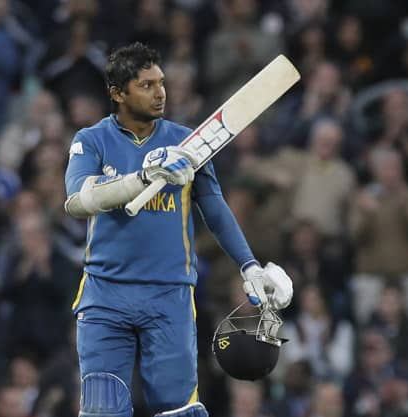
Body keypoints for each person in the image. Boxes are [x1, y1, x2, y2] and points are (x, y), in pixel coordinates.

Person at [63, 42, 293, 417]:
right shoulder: (91, 140)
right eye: (146, 85)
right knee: (103, 409)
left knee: (179, 411)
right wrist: (141, 179)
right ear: (118, 93)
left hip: (169, 296)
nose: (160, 93)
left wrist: (249, 265)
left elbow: (215, 208)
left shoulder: (187, 143)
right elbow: (77, 200)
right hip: (106, 296)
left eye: (162, 82)